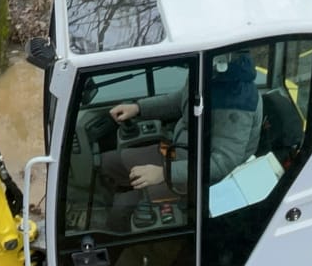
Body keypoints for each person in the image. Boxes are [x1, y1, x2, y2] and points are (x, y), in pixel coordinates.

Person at [97, 52, 262, 229]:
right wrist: (138, 108)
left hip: (199, 179)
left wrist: (164, 173)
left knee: (123, 207)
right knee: (106, 164)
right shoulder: (205, 71)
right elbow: (180, 100)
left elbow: (223, 163)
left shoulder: (237, 101)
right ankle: (98, 208)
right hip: (177, 153)